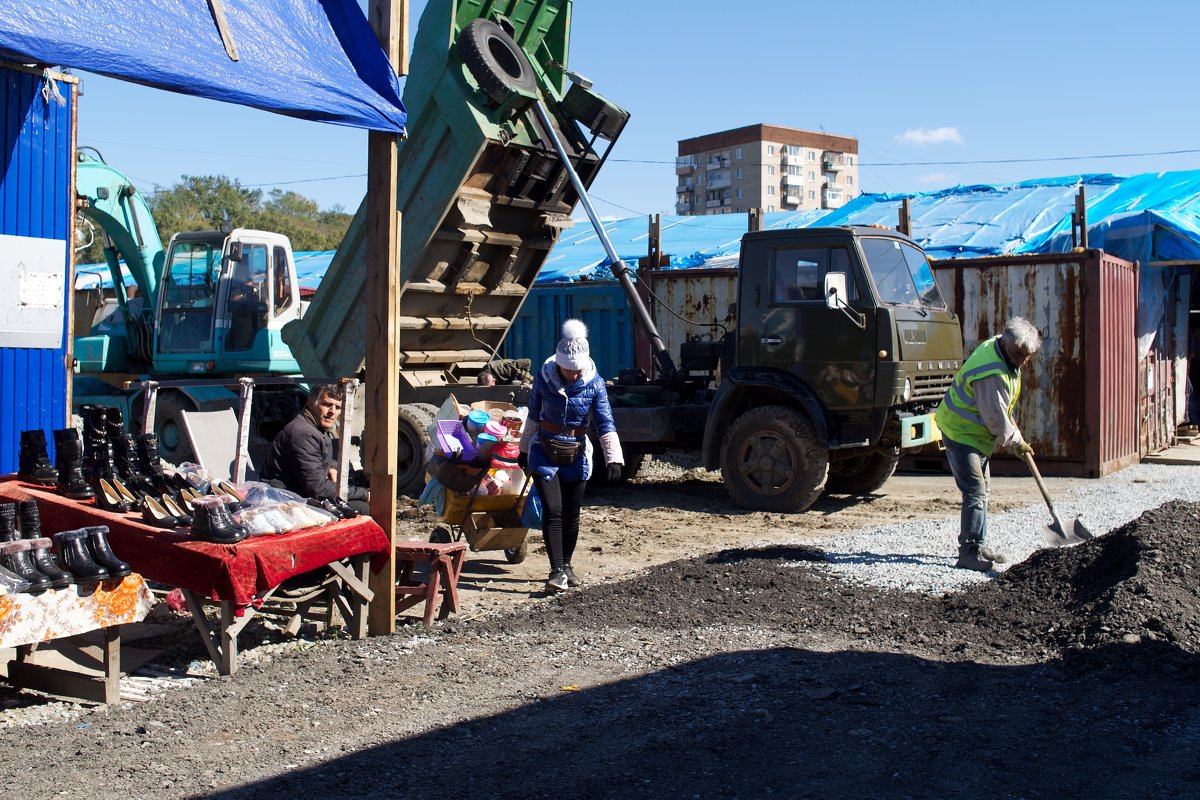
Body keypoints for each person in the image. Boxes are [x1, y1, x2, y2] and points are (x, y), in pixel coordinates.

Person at [518, 319, 623, 592]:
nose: (574, 375)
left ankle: (567, 566)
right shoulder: (544, 378)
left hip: (577, 454)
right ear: (558, 363)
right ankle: (555, 571)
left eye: (577, 370)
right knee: (553, 511)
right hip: (545, 451)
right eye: (568, 369)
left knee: (572, 514)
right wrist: (524, 448)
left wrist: (613, 457)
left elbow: (605, 421)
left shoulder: (595, 383)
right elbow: (532, 415)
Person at [935, 317, 1042, 572]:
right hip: (960, 432)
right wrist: (1016, 442)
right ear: (1006, 342)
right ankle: (968, 553)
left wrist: (1016, 436)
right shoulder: (991, 372)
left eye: (1027, 356)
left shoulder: (1001, 349)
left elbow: (1002, 410)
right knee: (975, 490)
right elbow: (995, 418)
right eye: (1019, 354)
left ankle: (979, 545)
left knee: (983, 491)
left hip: (976, 435)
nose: (1023, 361)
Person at [262, 384, 370, 515]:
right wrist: (364, 494)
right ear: (311, 403)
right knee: (366, 509)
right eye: (327, 404)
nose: (332, 412)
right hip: (286, 499)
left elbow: (313, 458)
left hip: (299, 493)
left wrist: (332, 466)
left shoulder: (312, 427)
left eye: (338, 407)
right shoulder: (303, 433)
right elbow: (317, 489)